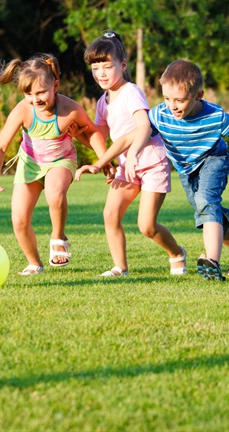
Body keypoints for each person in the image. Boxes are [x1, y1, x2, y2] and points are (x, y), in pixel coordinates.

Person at [77, 58, 229, 281]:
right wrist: (101, 163)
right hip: (187, 169)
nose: (173, 106)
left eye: (180, 100)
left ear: (198, 96)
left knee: (206, 201)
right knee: (207, 211)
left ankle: (212, 262)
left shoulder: (215, 117)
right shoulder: (161, 114)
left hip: (213, 159)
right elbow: (132, 136)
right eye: (167, 98)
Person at [75, 31, 186, 277]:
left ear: (122, 65)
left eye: (107, 66)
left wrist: (132, 153)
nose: (101, 73)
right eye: (95, 68)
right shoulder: (103, 101)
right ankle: (120, 267)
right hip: (127, 166)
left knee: (146, 226)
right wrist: (73, 133)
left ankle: (177, 253)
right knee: (110, 214)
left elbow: (144, 126)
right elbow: (99, 139)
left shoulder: (131, 92)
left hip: (151, 162)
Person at [0, 53, 108, 275]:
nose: (36, 99)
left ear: (56, 85)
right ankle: (34, 262)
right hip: (30, 164)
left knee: (55, 193)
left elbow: (92, 134)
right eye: (28, 93)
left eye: (41, 92)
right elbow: (0, 147)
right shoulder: (24, 109)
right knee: (19, 220)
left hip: (61, 161)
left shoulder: (69, 109)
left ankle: (58, 236)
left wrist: (105, 160)